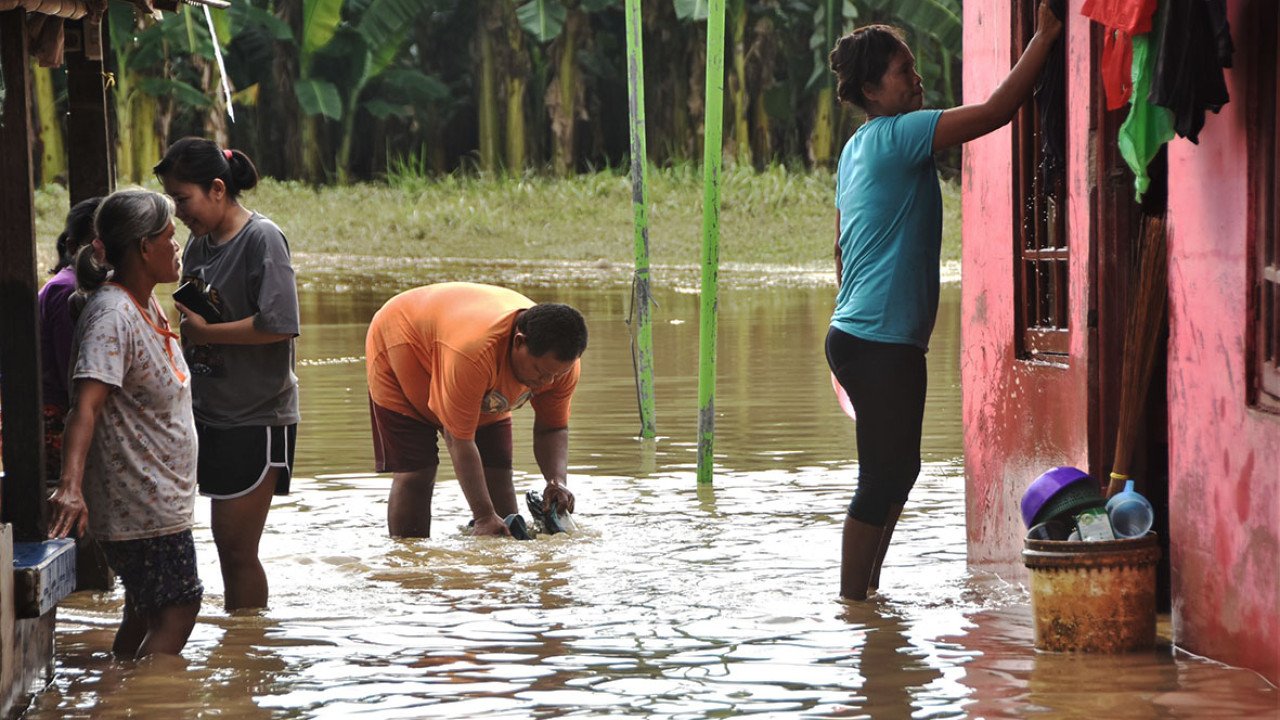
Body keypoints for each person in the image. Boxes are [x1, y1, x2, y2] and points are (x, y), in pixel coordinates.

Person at [826, 2, 1063, 600]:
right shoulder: (900, 134)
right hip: (877, 341)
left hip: (867, 336)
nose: (916, 78)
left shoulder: (856, 149)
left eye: (912, 66)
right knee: (883, 477)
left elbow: (840, 248)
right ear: (874, 90)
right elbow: (998, 110)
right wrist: (1046, 36)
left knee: (900, 471)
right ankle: (854, 604)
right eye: (904, 71)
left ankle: (868, 596)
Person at [48, 188, 201, 658]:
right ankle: (153, 704)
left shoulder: (146, 306)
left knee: (143, 610)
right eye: (169, 237)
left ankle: (117, 693)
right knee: (179, 605)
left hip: (158, 498)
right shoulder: (112, 314)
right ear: (142, 247)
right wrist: (70, 487)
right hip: (140, 503)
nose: (177, 247)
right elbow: (85, 407)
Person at [155, 138, 300, 612]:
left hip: (257, 415)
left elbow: (278, 326)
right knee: (221, 548)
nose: (178, 212)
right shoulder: (199, 243)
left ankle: (247, 652)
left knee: (238, 552)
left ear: (217, 188)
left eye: (183, 198)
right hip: (209, 412)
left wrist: (210, 333)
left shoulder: (262, 238)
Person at [365, 282, 587, 538]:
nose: (547, 383)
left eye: (556, 375)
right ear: (519, 342)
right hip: (403, 343)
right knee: (418, 470)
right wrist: (483, 516)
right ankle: (410, 565)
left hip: (464, 358)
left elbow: (552, 428)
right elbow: (458, 438)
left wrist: (556, 481)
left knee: (498, 469)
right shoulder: (474, 354)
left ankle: (499, 567)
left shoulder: (560, 368)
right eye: (540, 372)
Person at [39, 196, 102, 482]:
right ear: (74, 247)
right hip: (56, 421)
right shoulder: (68, 291)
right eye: (96, 243)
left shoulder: (69, 284)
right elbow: (73, 372)